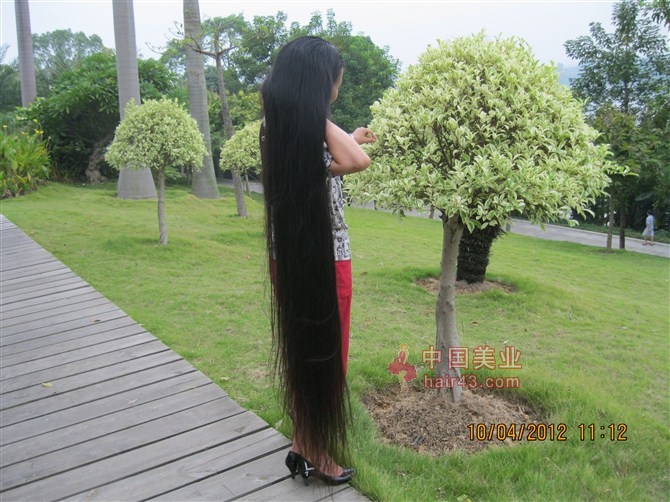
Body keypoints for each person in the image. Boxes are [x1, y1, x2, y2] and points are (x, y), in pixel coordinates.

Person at [260, 36, 377, 486]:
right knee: (326, 354)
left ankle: (303, 442)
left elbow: (330, 162)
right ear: (317, 84)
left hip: (287, 257)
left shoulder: (276, 127)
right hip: (325, 259)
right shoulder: (310, 123)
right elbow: (359, 161)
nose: (337, 89)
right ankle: (312, 449)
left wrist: (344, 135)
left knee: (302, 350)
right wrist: (332, 127)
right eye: (335, 80)